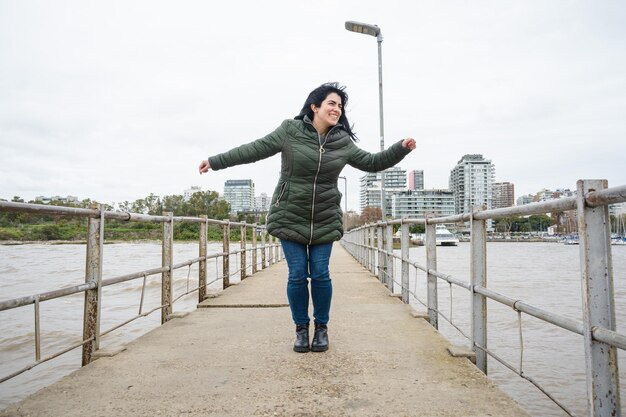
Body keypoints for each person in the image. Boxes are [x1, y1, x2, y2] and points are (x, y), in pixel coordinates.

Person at [198, 82, 416, 353]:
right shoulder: (290, 131)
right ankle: (301, 329)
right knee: (298, 274)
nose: (337, 109)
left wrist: (401, 148)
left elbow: (372, 162)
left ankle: (321, 329)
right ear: (315, 107)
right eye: (331, 104)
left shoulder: (342, 142)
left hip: (324, 218)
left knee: (321, 274)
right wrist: (216, 161)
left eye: (340, 106)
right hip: (290, 216)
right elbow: (254, 149)